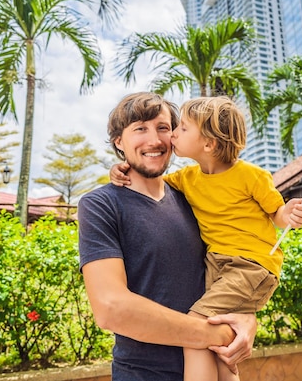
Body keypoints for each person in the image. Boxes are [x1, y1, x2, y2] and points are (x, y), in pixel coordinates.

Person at [110, 96, 302, 381]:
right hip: (217, 265)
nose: (173, 135)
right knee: (217, 339)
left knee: (197, 326)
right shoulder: (187, 179)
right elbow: (150, 180)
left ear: (208, 144)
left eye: (182, 129)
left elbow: (276, 213)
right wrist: (120, 168)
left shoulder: (252, 176)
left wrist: (288, 213)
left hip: (250, 266)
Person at [78, 92, 257, 381]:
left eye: (163, 128)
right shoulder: (100, 205)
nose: (154, 140)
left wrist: (247, 320)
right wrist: (213, 333)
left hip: (214, 369)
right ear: (119, 142)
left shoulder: (193, 196)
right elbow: (110, 307)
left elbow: (233, 264)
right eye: (140, 129)